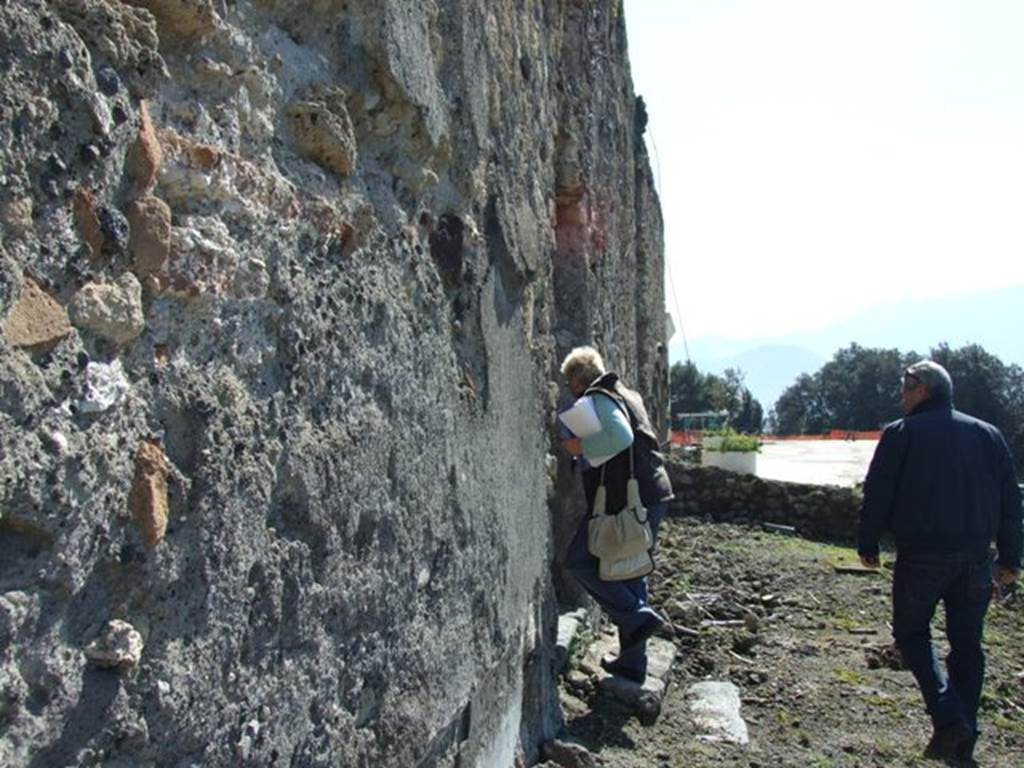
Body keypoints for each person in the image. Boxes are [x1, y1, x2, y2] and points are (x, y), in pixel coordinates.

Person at [857, 360, 1022, 765]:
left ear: (925, 389)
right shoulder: (988, 435)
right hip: (976, 559)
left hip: (922, 555)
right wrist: (1011, 558)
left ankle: (949, 720)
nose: (901, 395)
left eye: (906, 386)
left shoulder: (902, 434)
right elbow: (1010, 502)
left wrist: (868, 543)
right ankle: (964, 740)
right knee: (968, 647)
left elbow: (878, 491)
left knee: (911, 633)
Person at [559, 345, 674, 683]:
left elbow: (621, 437)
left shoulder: (597, 397)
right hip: (651, 494)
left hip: (629, 500)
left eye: (570, 384)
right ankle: (633, 663)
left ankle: (637, 617)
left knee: (580, 561)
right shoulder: (628, 394)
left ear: (579, 380)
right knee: (632, 572)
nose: (571, 391)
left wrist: (581, 449)